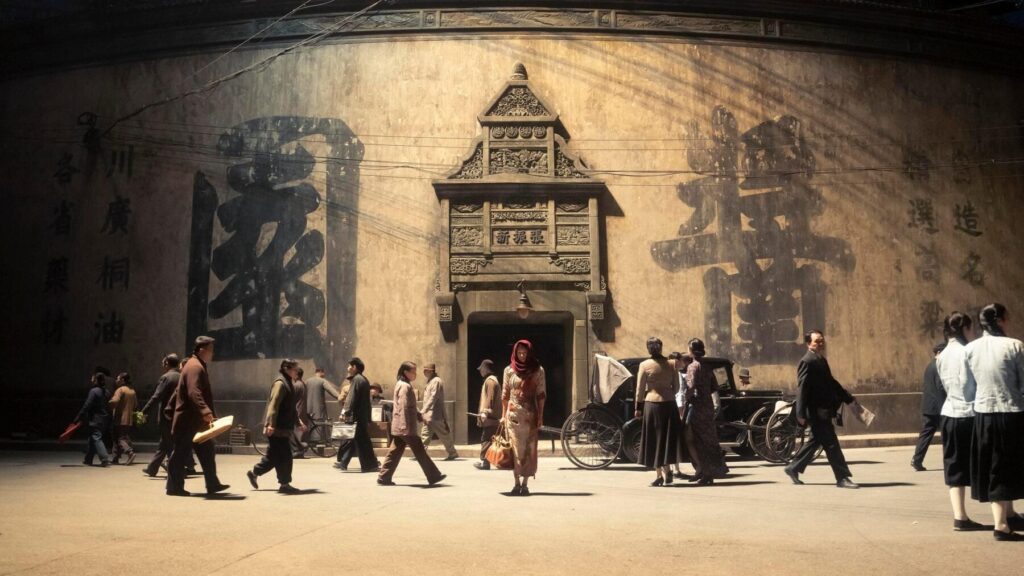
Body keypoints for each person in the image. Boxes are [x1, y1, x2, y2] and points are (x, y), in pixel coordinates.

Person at [965, 303, 1024, 541]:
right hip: (1011, 412)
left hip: (983, 414)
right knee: (1006, 464)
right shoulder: (1015, 345)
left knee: (993, 464)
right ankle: (1001, 526)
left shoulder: (970, 349)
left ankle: (1009, 514)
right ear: (1000, 320)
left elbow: (968, 388)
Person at [784, 330, 859, 489]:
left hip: (824, 410)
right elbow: (802, 388)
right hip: (816, 412)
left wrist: (847, 398)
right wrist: (800, 413)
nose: (821, 343)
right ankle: (842, 477)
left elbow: (831, 382)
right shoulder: (807, 361)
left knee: (815, 441)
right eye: (817, 341)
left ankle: (793, 467)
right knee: (831, 444)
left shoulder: (820, 360)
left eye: (822, 341)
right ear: (808, 343)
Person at [935, 311, 984, 532]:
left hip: (949, 413)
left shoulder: (942, 355)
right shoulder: (968, 351)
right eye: (972, 328)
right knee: (987, 462)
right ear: (965, 328)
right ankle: (1005, 514)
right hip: (970, 414)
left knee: (953, 465)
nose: (974, 332)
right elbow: (971, 385)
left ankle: (960, 516)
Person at [165, 335, 230, 497]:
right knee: (180, 453)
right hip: (188, 421)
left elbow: (182, 391)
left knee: (207, 452)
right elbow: (194, 392)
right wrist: (205, 411)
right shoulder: (195, 367)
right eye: (210, 350)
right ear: (201, 350)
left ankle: (212, 483)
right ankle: (174, 487)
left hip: (195, 421)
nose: (212, 353)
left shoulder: (195, 365)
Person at [378, 361, 446, 486]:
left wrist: (419, 415)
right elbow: (403, 406)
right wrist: (404, 425)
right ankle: (434, 475)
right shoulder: (405, 386)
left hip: (400, 426)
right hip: (405, 426)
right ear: (405, 372)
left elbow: (410, 406)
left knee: (395, 451)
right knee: (419, 450)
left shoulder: (402, 384)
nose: (415, 374)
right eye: (413, 372)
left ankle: (384, 476)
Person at [247, 359, 306, 494]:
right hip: (278, 429)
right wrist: (270, 425)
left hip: (283, 428)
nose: (297, 371)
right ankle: (284, 484)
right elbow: (273, 405)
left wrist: (298, 422)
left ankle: (255, 473)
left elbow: (291, 408)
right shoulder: (280, 384)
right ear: (286, 369)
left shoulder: (289, 383)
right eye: (295, 369)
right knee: (285, 456)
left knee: (274, 457)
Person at [634, 338, 684, 486]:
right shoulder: (672, 364)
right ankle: (667, 470)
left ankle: (659, 475)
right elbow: (677, 387)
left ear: (648, 349)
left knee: (654, 439)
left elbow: (639, 389)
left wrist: (638, 407)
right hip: (669, 404)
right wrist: (667, 393)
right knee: (666, 439)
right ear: (661, 348)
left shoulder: (644, 365)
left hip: (652, 404)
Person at [502, 340, 546, 496]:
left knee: (529, 449)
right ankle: (516, 484)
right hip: (512, 417)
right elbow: (505, 394)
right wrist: (503, 416)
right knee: (514, 450)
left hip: (530, 416)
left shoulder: (538, 370)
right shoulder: (509, 370)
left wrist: (540, 416)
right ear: (515, 353)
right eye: (519, 353)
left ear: (529, 353)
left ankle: (525, 484)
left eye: (525, 353)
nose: (522, 355)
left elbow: (541, 394)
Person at [682, 338, 728, 484]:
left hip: (697, 407)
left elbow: (690, 387)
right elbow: (714, 387)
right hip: (707, 406)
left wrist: (685, 398)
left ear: (691, 350)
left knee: (698, 440)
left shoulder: (692, 367)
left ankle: (705, 472)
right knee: (709, 439)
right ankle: (711, 471)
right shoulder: (708, 367)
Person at [335, 358, 379, 472]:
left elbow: (351, 398)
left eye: (350, 366)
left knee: (361, 441)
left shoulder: (356, 380)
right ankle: (367, 464)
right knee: (359, 440)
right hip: (361, 416)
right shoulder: (364, 379)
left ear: (354, 367)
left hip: (357, 416)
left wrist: (345, 412)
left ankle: (368, 465)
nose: (348, 368)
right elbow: (366, 402)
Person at [142, 354, 181, 477]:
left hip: (166, 415)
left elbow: (156, 397)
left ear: (167, 363)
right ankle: (152, 468)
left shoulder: (166, 377)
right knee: (165, 442)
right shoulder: (181, 377)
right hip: (179, 415)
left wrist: (144, 411)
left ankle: (176, 470)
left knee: (167, 443)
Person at [911, 342, 947, 471]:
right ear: (939, 353)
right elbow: (941, 387)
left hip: (929, 406)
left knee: (926, 434)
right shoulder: (939, 366)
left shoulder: (929, 366)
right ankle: (949, 462)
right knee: (947, 435)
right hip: (940, 406)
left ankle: (917, 459)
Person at [419, 363, 459, 461]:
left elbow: (433, 397)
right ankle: (420, 454)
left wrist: (424, 410)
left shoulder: (436, 381)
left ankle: (452, 453)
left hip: (435, 414)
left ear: (431, 371)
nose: (424, 372)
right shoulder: (430, 381)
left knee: (443, 434)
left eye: (426, 370)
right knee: (425, 434)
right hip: (428, 415)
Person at [75, 370, 111, 467]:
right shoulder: (107, 392)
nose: (91, 380)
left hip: (95, 419)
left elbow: (87, 405)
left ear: (96, 380)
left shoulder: (94, 391)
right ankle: (88, 459)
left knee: (96, 437)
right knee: (92, 438)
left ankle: (104, 458)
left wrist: (78, 417)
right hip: (105, 418)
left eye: (92, 378)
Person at [475, 359, 502, 470]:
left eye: (481, 369)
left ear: (486, 369)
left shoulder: (490, 381)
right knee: (490, 439)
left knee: (486, 439)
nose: (480, 371)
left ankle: (485, 463)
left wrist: (485, 412)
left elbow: (489, 398)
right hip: (493, 416)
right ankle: (489, 461)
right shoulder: (492, 380)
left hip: (491, 417)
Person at [108, 372, 138, 465]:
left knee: (119, 439)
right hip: (129, 419)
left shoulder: (120, 390)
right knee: (120, 437)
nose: (116, 380)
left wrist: (107, 404)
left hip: (119, 418)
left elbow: (114, 401)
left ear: (122, 380)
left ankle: (129, 452)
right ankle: (115, 458)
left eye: (118, 378)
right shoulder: (132, 391)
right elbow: (135, 405)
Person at [290, 367, 311, 458]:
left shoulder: (296, 385)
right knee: (299, 433)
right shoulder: (303, 384)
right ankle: (299, 451)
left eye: (293, 373)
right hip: (301, 411)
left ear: (297, 375)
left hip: (297, 411)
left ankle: (297, 451)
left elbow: (291, 400)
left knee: (295, 432)